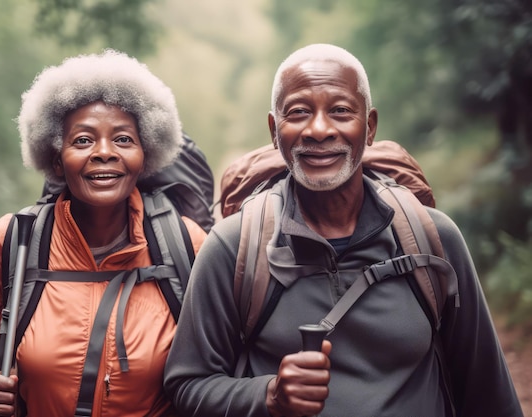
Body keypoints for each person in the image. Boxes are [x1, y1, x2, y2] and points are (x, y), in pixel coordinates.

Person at [163, 44, 523, 417]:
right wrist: (268, 396)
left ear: (369, 128)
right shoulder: (234, 247)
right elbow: (188, 384)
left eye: (340, 111)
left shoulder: (432, 237)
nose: (319, 129)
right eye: (299, 112)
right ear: (274, 130)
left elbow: (488, 393)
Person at [0, 50, 207, 417]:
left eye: (123, 139)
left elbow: (220, 369)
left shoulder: (185, 245)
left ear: (146, 154)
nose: (104, 152)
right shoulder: (15, 241)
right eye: (82, 141)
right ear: (57, 158)